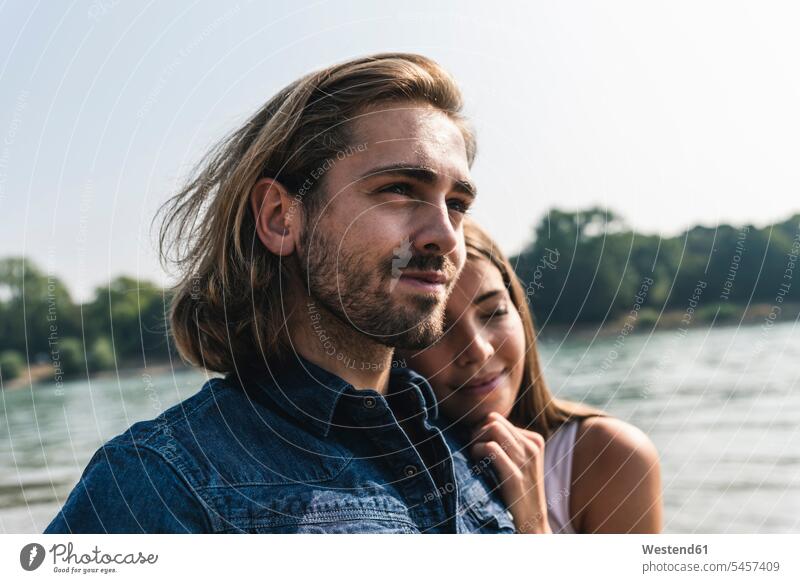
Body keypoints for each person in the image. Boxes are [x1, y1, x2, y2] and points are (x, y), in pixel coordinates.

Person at [44, 53, 516, 533]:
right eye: (398, 188)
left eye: (457, 203)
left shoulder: (467, 453)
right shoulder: (163, 482)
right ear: (279, 218)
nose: (446, 234)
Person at [405, 217, 663, 533]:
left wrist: (534, 525)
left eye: (493, 312)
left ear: (519, 312)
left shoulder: (609, 457)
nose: (478, 349)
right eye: (440, 327)